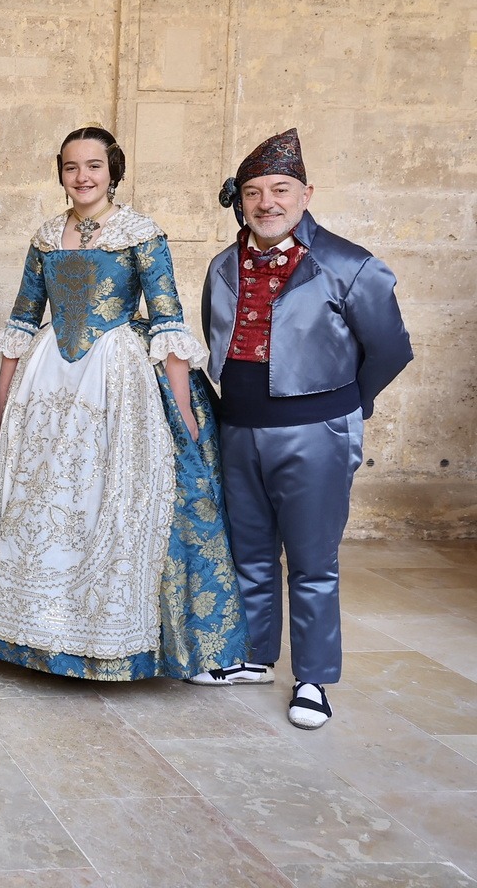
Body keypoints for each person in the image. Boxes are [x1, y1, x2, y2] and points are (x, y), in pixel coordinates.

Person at [0, 126, 248, 680]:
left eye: (93, 166)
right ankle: (35, 633)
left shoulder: (140, 232)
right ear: (60, 173)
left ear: (113, 170)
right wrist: (4, 401)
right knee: (44, 499)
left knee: (111, 496)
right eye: (71, 167)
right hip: (47, 380)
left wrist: (183, 410)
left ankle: (107, 637)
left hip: (116, 374)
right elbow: (23, 320)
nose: (82, 177)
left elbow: (168, 320)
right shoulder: (46, 236)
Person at [187, 129, 412, 729]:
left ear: (306, 194)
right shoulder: (222, 265)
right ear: (240, 199)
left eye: (281, 189)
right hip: (237, 429)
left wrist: (345, 410)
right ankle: (252, 656)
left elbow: (391, 350)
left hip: (315, 432)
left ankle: (313, 677)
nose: (267, 203)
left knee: (313, 562)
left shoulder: (349, 264)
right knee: (249, 553)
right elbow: (214, 340)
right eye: (254, 192)